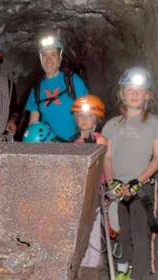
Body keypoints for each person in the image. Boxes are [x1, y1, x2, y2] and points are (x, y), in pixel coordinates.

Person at [102, 66, 158, 280]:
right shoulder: (112, 125)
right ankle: (126, 270)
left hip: (140, 191)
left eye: (139, 91)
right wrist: (113, 182)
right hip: (120, 190)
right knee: (123, 233)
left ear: (147, 96)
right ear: (122, 93)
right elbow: (107, 157)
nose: (134, 95)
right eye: (130, 90)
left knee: (141, 236)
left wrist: (137, 181)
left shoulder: (155, 124)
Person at [71, 95, 110, 268]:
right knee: (80, 231)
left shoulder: (100, 140)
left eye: (88, 116)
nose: (84, 120)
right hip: (79, 195)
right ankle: (79, 264)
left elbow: (106, 163)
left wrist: (110, 187)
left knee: (93, 231)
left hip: (94, 194)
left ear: (96, 119)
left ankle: (91, 267)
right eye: (80, 116)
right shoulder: (74, 143)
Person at [24, 35, 88, 142]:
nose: (48, 59)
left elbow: (89, 113)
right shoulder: (36, 90)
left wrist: (83, 137)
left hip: (74, 145)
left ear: (60, 59)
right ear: (40, 59)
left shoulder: (73, 81)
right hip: (48, 148)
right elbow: (32, 124)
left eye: (53, 55)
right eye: (44, 55)